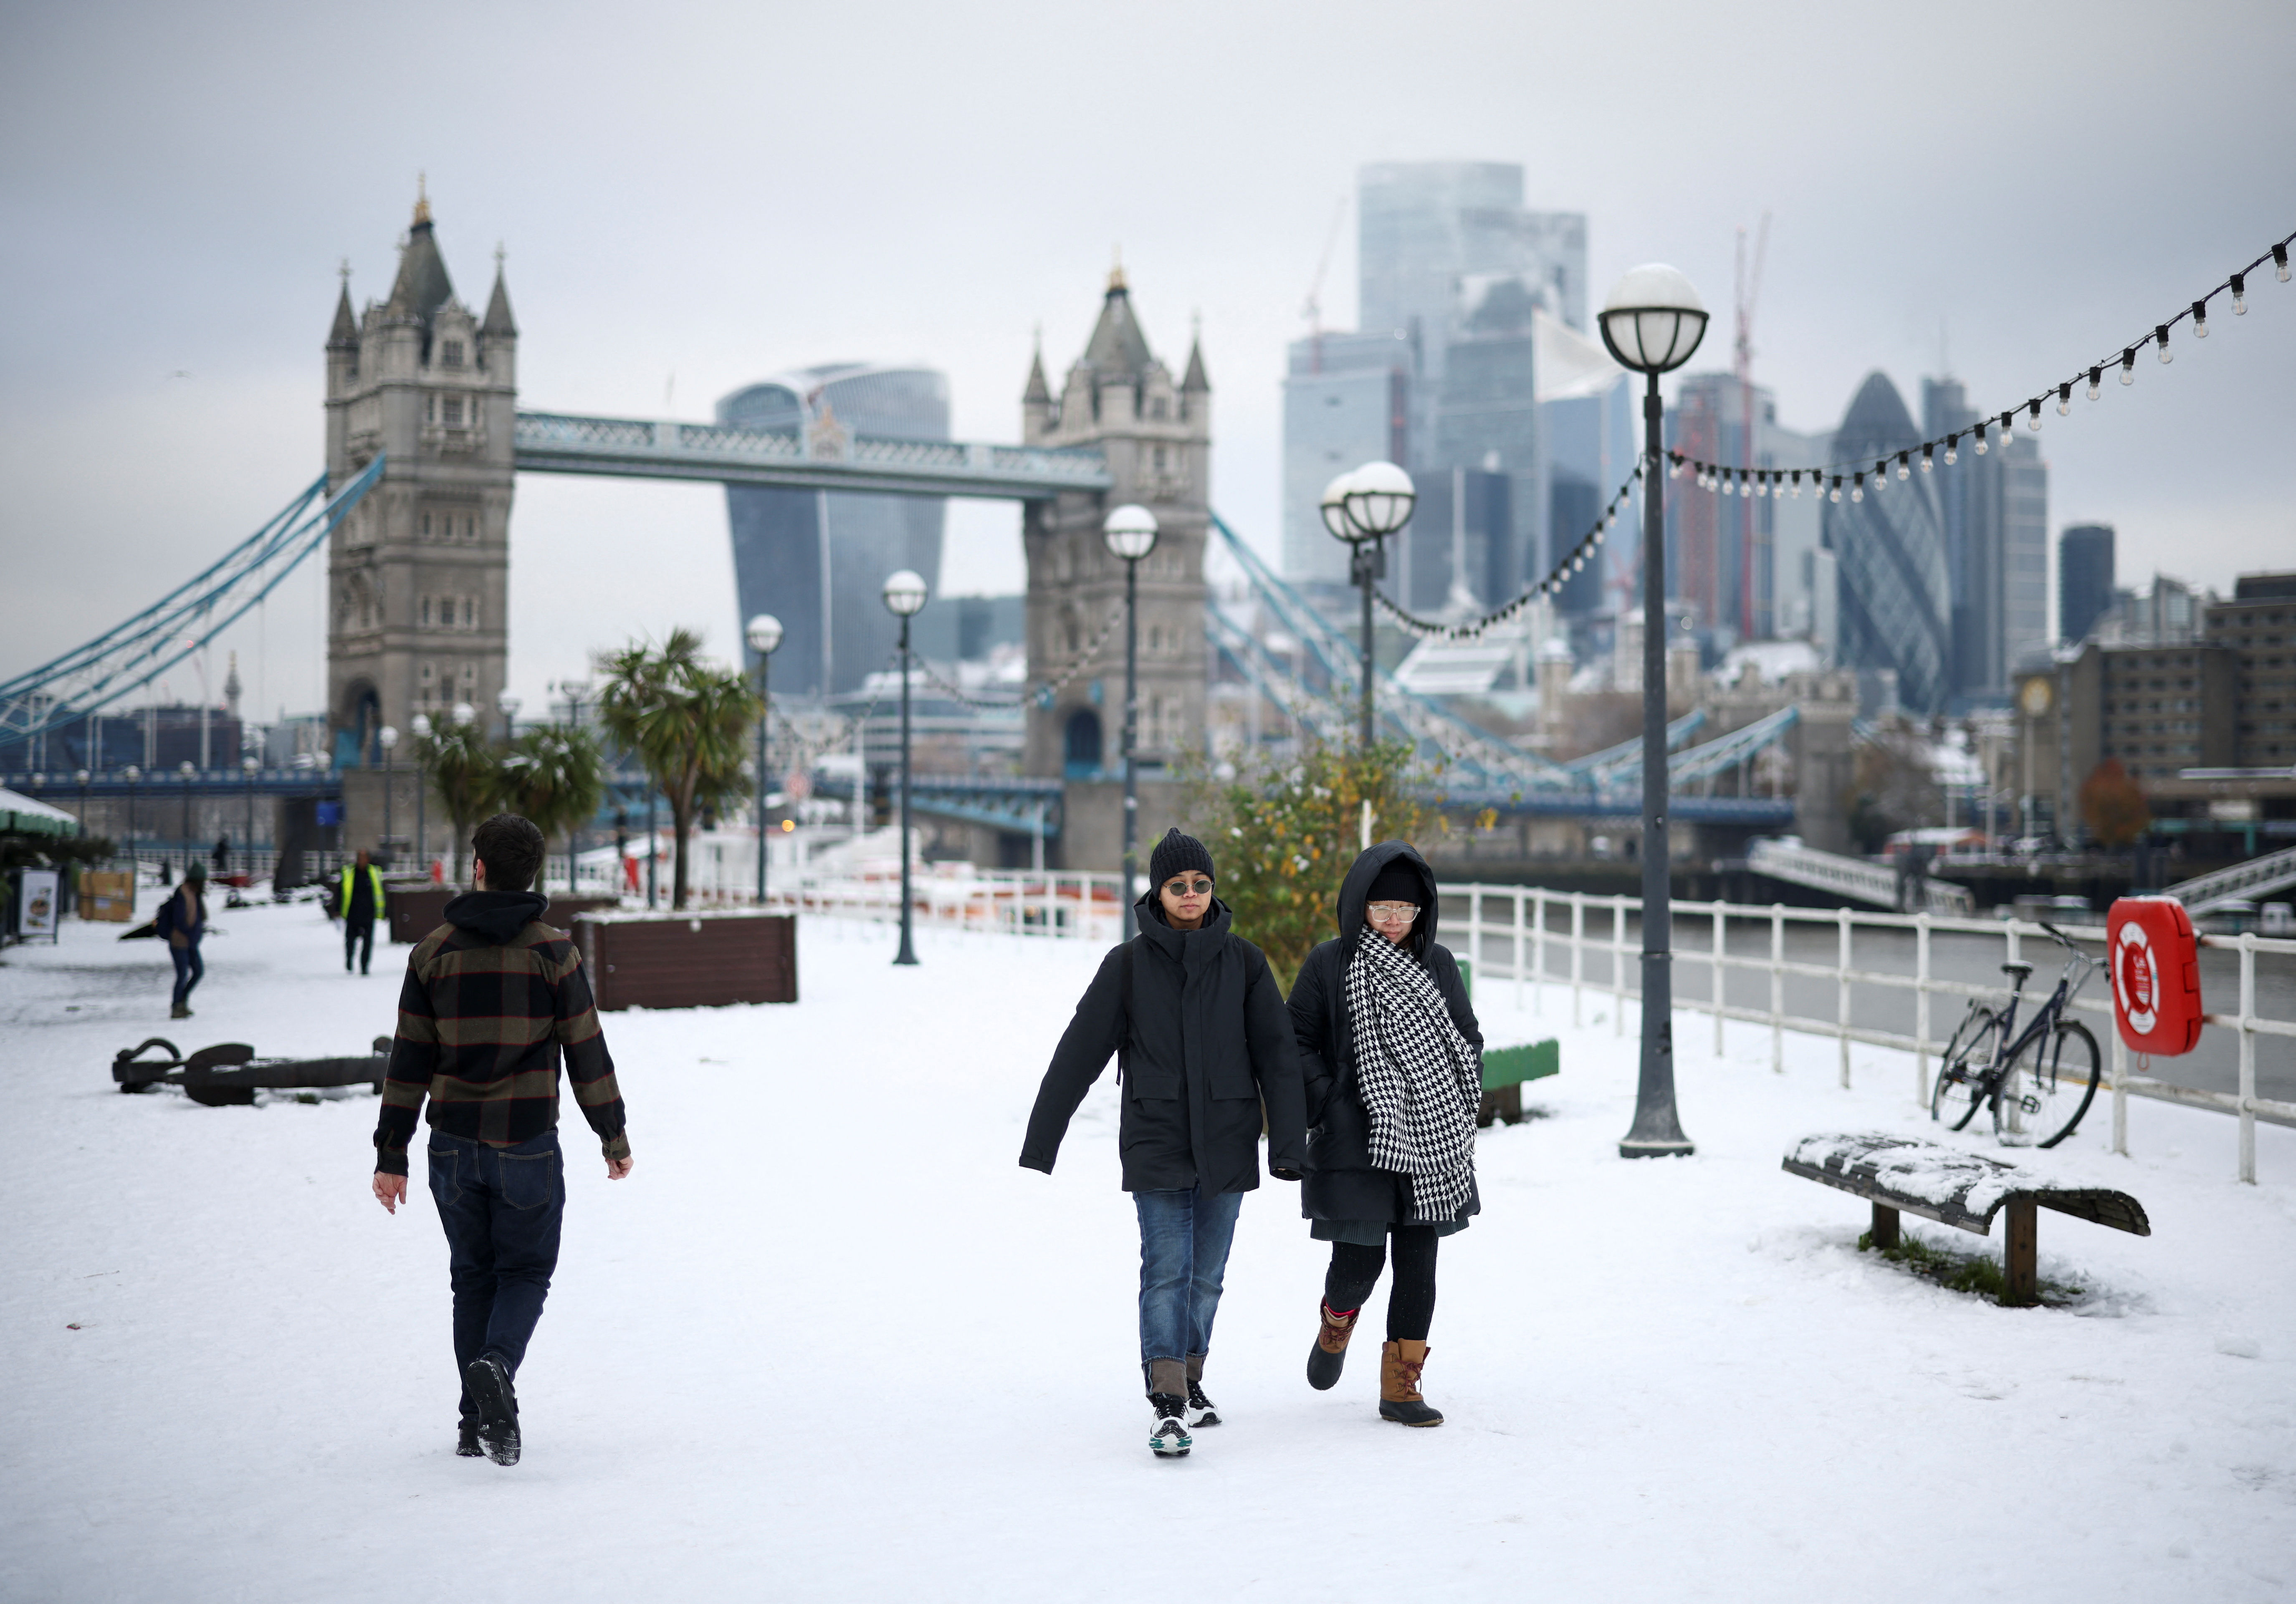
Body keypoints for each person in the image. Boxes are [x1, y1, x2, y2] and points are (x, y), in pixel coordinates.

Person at [1021, 827, 1308, 1460]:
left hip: (1229, 1140)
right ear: (1158, 889)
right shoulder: (1126, 966)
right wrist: (1044, 1140)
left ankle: (1193, 1376)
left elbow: (1278, 1059)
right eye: (1178, 885)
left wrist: (1289, 1144)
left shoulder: (1246, 963)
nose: (1190, 894)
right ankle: (1168, 1402)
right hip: (1156, 1139)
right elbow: (1079, 1054)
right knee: (1168, 1270)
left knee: (1206, 1277)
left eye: (1201, 884)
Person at [370, 813, 634, 1467]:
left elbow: (408, 1061)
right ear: (534, 873)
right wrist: (613, 1134)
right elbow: (587, 1051)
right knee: (525, 1273)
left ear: (479, 867)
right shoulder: (554, 953)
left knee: (473, 1279)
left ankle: (473, 1423)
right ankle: (498, 1365)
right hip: (527, 1146)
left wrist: (391, 1153)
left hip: (453, 1146)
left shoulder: (432, 953)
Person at [1289, 840, 1482, 1428]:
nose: (1395, 920)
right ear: (1359, 906)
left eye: (1406, 909)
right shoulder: (1330, 963)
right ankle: (1337, 1320)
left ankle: (1402, 1386)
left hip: (1431, 1140)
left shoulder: (1438, 964)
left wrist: (1447, 1092)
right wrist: (1332, 1099)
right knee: (1359, 1263)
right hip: (1356, 1141)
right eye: (1383, 908)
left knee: (1419, 1264)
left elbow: (1466, 1036)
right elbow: (1294, 1041)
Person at [153, 862, 207, 1019]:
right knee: (182, 974)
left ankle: (182, 1000)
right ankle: (177, 1006)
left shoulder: (195, 894)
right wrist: (190, 933)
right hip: (180, 942)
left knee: (198, 972)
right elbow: (179, 920)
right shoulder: (182, 894)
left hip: (191, 942)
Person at [338, 848, 387, 975]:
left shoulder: (374, 872)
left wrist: (383, 911)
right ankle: (349, 960)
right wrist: (338, 910)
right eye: (360, 858)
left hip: (369, 913)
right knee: (350, 941)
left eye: (365, 858)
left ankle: (364, 966)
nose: (362, 861)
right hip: (352, 913)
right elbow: (340, 892)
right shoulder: (349, 872)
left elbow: (381, 891)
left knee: (368, 942)